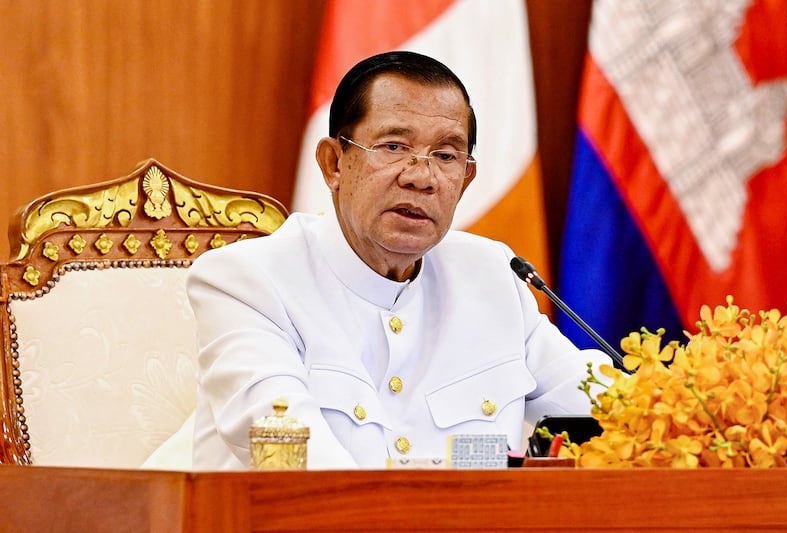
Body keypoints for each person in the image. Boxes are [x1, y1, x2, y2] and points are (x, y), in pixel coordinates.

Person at [187, 50, 610, 470]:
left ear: (465, 180)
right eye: (393, 146)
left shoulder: (493, 274)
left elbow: (607, 410)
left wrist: (650, 412)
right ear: (334, 164)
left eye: (446, 156)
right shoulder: (247, 281)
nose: (421, 177)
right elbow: (295, 463)